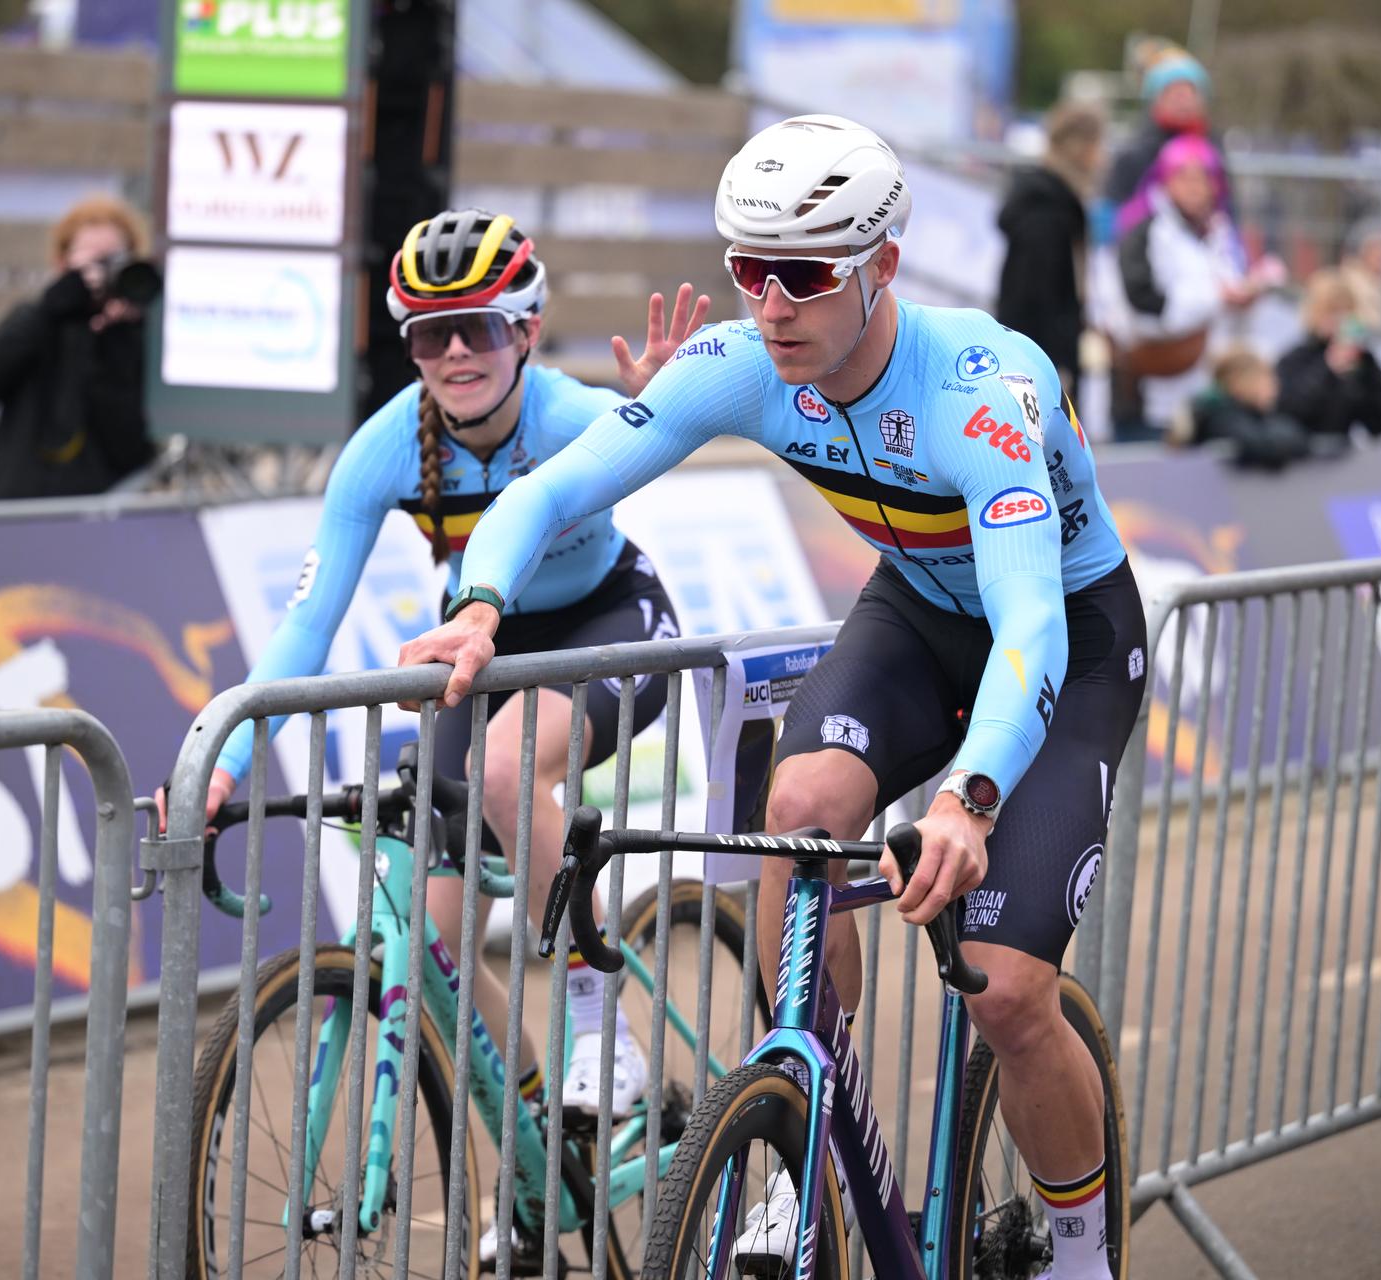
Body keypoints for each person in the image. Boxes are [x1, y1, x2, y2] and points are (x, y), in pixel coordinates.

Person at [398, 115, 1146, 1280]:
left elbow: (1032, 623)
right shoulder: (745, 364)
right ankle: (809, 1140)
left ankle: (1084, 1252)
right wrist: (483, 601)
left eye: (802, 273)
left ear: (883, 264)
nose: (770, 302)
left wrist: (971, 795)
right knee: (798, 807)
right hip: (915, 609)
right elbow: (549, 492)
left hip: (1064, 632)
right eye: (748, 269)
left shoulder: (985, 388)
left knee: (1005, 993)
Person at [162, 208, 705, 1266]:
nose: (456, 352)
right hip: (475, 647)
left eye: (482, 330)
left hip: (607, 624)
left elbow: (658, 450)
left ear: (530, 331)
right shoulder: (382, 451)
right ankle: (545, 1130)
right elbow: (306, 626)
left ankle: (601, 1015)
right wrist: (223, 754)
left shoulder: (574, 412)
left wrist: (658, 409)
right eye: (430, 334)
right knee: (439, 948)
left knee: (507, 766)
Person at [0, 196, 158, 500]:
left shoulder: (140, 338)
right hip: (22, 507)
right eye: (92, 261)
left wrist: (121, 341)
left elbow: (134, 451)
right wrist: (51, 310)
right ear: (63, 262)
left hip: (106, 514)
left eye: (114, 260)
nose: (103, 274)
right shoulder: (39, 321)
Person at [1114, 134, 1272, 438]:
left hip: (1215, 390)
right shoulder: (1147, 234)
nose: (1195, 188)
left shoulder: (1222, 233)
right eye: (1184, 178)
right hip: (1158, 391)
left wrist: (1248, 297)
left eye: (1203, 178)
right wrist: (1219, 298)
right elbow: (1144, 308)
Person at [997, 101, 1106, 402]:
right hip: (1040, 362)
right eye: (1100, 145)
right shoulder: (1046, 211)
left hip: (1042, 356)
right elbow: (1036, 297)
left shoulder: (1056, 202)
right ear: (1083, 148)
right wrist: (1058, 366)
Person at [1102, 43, 1232, 228]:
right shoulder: (1135, 154)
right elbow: (1114, 211)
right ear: (1155, 100)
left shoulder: (1214, 149)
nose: (1182, 101)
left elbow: (1227, 206)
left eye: (1189, 92)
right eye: (1173, 93)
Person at [1274, 269, 1381, 445]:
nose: (1340, 320)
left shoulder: (1361, 362)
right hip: (1302, 461)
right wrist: (1328, 369)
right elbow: (1289, 414)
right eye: (1332, 311)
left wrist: (1368, 370)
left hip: (1343, 462)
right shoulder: (1294, 359)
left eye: (1347, 311)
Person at [1179, 346, 1310, 470]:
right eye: (1266, 379)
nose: (1274, 387)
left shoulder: (1255, 416)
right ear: (1243, 382)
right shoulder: (1221, 417)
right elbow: (1261, 446)